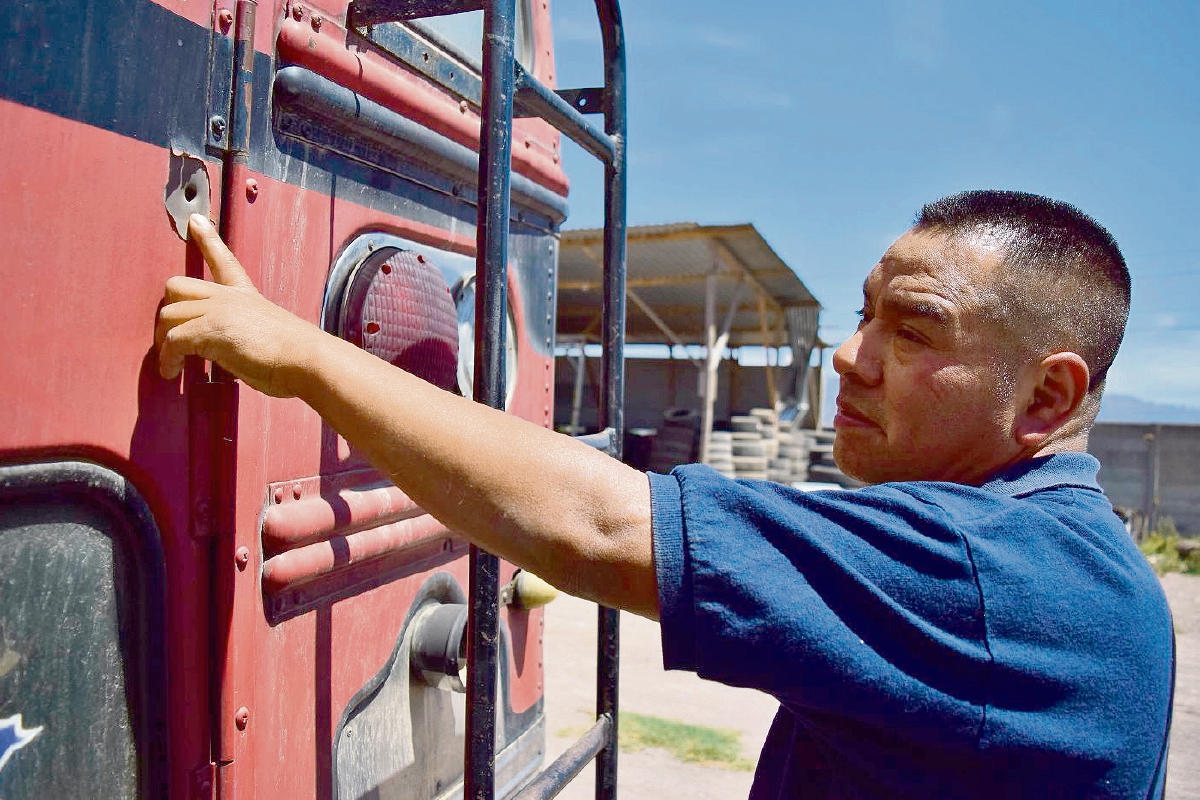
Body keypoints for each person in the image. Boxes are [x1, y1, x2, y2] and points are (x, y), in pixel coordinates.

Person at [157, 190, 1173, 798]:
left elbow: (597, 521)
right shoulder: (1066, 553)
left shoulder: (994, 573)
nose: (848, 355)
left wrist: (298, 351)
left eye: (913, 329)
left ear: (1048, 393)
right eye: (863, 314)